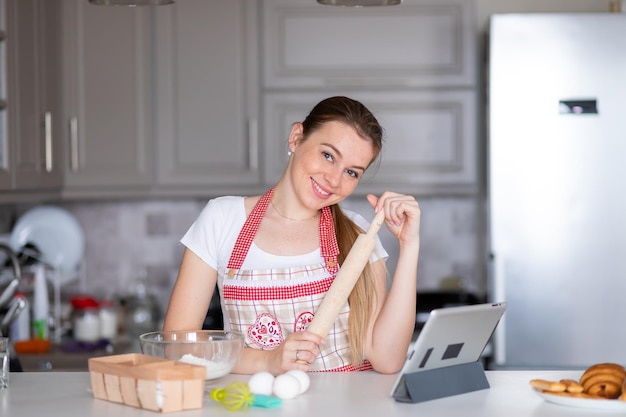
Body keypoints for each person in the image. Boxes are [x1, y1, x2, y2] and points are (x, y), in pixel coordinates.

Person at [163, 96, 420, 375]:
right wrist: (267, 361)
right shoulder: (222, 219)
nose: (334, 180)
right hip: (260, 405)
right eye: (328, 155)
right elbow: (177, 346)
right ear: (296, 138)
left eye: (351, 172)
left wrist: (409, 245)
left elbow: (388, 359)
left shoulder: (359, 234)